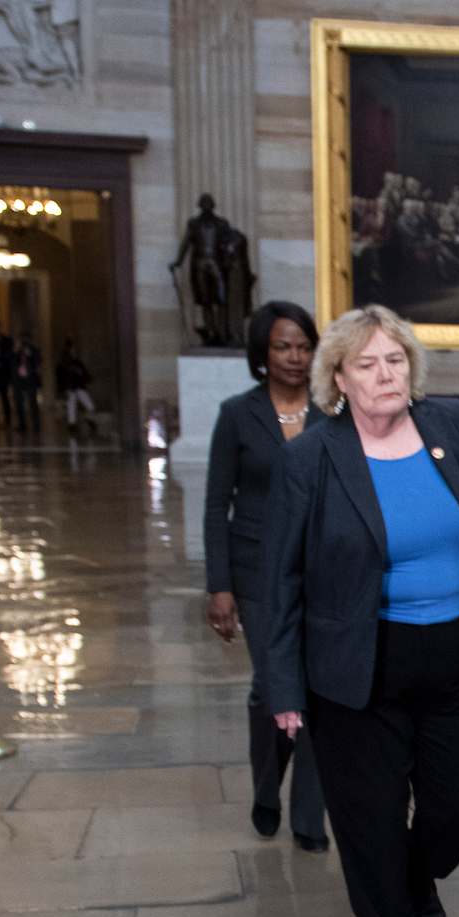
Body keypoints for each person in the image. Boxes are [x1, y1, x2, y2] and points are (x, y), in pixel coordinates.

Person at [262, 306, 459, 917]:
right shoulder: (310, 459)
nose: (385, 375)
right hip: (357, 670)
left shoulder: (449, 427)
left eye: (396, 361)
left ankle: (417, 877)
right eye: (367, 364)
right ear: (337, 377)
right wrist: (282, 686)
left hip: (456, 655)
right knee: (369, 819)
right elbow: (277, 582)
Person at [204, 300, 328, 853]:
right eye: (283, 346)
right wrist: (219, 586)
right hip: (254, 571)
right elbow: (214, 506)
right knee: (270, 688)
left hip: (321, 571)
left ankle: (308, 816)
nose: (295, 357)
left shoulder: (332, 412)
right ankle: (265, 788)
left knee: (319, 690)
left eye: (303, 346)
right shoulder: (237, 413)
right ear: (263, 352)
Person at [55, 337, 96, 434]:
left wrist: (80, 374)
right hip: (71, 388)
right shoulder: (63, 365)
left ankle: (88, 419)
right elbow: (60, 377)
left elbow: (86, 375)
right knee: (72, 406)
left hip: (79, 387)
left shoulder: (77, 363)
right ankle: (72, 425)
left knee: (89, 405)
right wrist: (64, 388)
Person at [11, 335, 44, 430]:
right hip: (19, 382)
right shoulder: (16, 352)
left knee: (33, 403)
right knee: (19, 403)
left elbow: (37, 361)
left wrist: (29, 354)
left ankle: (36, 424)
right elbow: (11, 361)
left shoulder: (34, 350)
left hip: (31, 381)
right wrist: (16, 350)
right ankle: (22, 424)